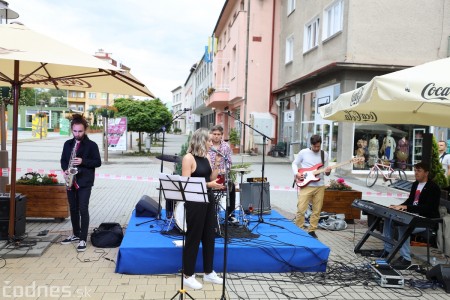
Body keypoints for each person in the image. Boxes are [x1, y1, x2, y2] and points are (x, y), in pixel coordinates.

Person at [181, 128, 224, 290]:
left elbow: (211, 177)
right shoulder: (188, 158)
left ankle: (208, 272)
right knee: (194, 236)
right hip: (195, 201)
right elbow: (186, 183)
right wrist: (208, 185)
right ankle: (188, 275)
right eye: (209, 140)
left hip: (208, 199)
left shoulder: (206, 156)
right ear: (201, 140)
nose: (211, 143)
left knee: (209, 236)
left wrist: (217, 165)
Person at [382, 162, 440, 269]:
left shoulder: (433, 188)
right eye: (415, 170)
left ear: (426, 173)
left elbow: (428, 208)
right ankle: (387, 250)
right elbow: (410, 201)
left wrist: (406, 208)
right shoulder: (415, 184)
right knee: (388, 218)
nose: (416, 173)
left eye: (419, 171)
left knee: (403, 225)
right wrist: (398, 206)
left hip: (426, 220)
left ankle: (406, 259)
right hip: (413, 215)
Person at [60, 114, 102, 252]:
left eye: (80, 131)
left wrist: (83, 161)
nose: (77, 134)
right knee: (73, 209)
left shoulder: (91, 145)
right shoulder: (68, 144)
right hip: (70, 181)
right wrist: (66, 170)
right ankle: (75, 234)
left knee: (83, 209)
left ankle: (83, 238)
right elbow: (63, 160)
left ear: (85, 130)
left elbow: (97, 162)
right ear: (72, 129)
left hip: (84, 182)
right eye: (75, 131)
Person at [291, 135, 331, 239]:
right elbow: (294, 164)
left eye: (318, 146)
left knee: (317, 210)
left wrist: (328, 171)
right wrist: (296, 173)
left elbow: (326, 172)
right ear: (311, 144)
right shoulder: (303, 152)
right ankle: (298, 230)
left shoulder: (324, 155)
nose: (317, 149)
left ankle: (312, 230)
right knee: (301, 209)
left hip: (320, 186)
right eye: (315, 147)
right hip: (306, 185)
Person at [209, 125, 238, 224]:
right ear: (211, 134)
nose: (216, 136)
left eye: (218, 134)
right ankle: (209, 213)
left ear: (222, 135)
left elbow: (229, 162)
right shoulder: (208, 145)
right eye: (214, 134)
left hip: (221, 175)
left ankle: (230, 215)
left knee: (232, 186)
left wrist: (224, 169)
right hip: (209, 175)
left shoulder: (226, 146)